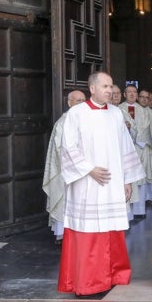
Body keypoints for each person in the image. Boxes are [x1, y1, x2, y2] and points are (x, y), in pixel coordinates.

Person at [57, 71, 145, 297]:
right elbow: (67, 147)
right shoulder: (76, 114)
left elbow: (126, 147)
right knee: (88, 231)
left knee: (112, 230)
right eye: (104, 86)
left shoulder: (117, 114)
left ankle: (114, 274)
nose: (109, 90)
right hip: (87, 184)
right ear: (92, 88)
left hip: (112, 183)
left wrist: (127, 181)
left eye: (111, 86)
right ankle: (89, 281)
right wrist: (89, 169)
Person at [42, 90, 86, 244]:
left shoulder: (87, 120)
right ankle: (64, 235)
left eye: (83, 100)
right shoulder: (64, 121)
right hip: (67, 170)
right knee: (65, 201)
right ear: (69, 103)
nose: (81, 104)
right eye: (77, 101)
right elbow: (61, 149)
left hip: (84, 170)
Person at [118, 85, 152, 219]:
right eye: (129, 92)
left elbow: (146, 129)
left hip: (140, 147)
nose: (132, 94)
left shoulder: (143, 111)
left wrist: (137, 141)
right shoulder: (118, 109)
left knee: (140, 180)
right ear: (124, 94)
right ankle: (127, 215)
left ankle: (139, 211)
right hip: (124, 149)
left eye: (135, 92)